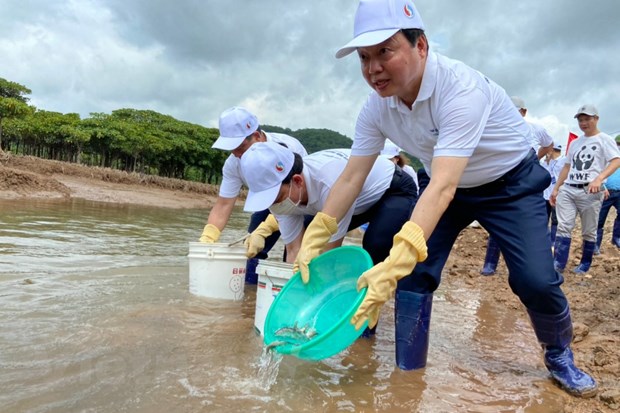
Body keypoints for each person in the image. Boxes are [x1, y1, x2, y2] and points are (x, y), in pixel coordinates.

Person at [294, 0, 598, 397]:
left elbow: (441, 186)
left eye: (385, 51)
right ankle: (408, 371)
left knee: (535, 280)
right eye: (364, 58)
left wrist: (398, 256)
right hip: (449, 187)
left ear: (421, 45)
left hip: (508, 184)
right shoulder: (375, 109)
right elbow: (352, 176)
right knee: (415, 272)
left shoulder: (460, 89)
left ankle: (559, 354)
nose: (372, 69)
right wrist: (318, 232)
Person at [198, 106, 308, 283]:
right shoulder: (233, 163)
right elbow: (223, 205)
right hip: (266, 201)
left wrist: (267, 227)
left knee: (296, 253)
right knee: (250, 252)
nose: (236, 154)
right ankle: (249, 300)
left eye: (240, 147)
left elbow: (301, 194)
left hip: (297, 199)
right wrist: (208, 237)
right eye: (231, 149)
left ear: (257, 136)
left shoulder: (288, 148)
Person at [480, 96, 554, 275]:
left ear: (523, 112)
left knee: (531, 227)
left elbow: (549, 144)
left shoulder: (535, 129)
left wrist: (535, 158)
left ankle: (532, 270)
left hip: (528, 183)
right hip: (503, 181)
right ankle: (490, 263)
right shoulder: (497, 128)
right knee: (498, 223)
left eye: (516, 110)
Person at [550, 105, 620, 273]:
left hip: (590, 191)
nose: (584, 123)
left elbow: (616, 160)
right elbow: (567, 167)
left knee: (588, 230)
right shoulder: (575, 143)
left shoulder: (604, 139)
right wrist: (557, 188)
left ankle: (585, 263)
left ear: (596, 119)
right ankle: (558, 264)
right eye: (581, 120)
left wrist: (599, 179)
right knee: (563, 225)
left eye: (587, 119)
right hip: (569, 188)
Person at [595, 145, 620, 253]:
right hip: (605, 193)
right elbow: (595, 175)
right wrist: (602, 187)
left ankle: (617, 238)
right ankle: (595, 244)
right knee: (599, 219)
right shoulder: (604, 160)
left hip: (619, 193)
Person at [542, 143, 567, 246]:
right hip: (545, 195)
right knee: (543, 219)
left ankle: (553, 241)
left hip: (558, 194)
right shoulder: (546, 163)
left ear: (551, 150)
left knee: (556, 220)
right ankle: (544, 240)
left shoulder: (564, 161)